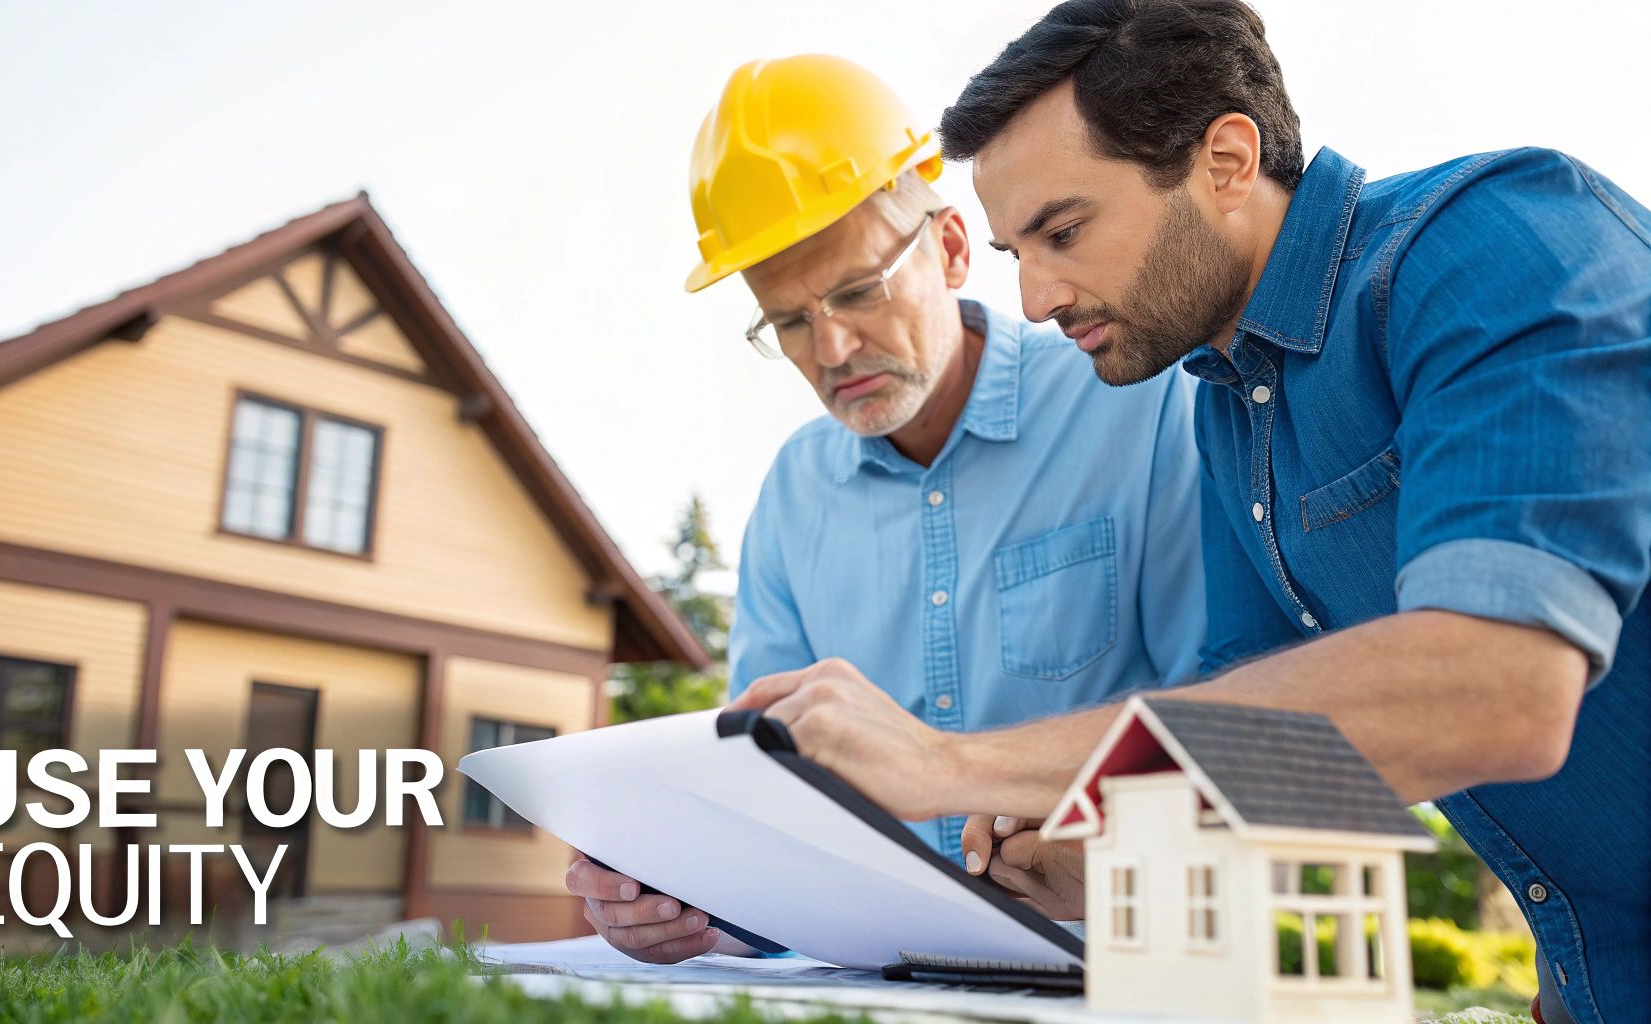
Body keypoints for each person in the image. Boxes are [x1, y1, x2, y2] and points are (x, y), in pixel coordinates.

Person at [731, 4, 1651, 1021]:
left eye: (1063, 231)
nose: (1033, 297)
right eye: (1014, 253)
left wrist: (949, 765)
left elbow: (1497, 690)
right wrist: (1116, 859)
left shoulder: (1497, 241)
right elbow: (1273, 760)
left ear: (1223, 160)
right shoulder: (1226, 404)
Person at [564, 54, 1209, 965]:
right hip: (876, 985)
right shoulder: (793, 496)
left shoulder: (1139, 406)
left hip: (1137, 972)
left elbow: (1240, 723)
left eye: (857, 292)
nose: (830, 346)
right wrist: (694, 899)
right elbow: (773, 808)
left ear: (949, 249)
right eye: (787, 321)